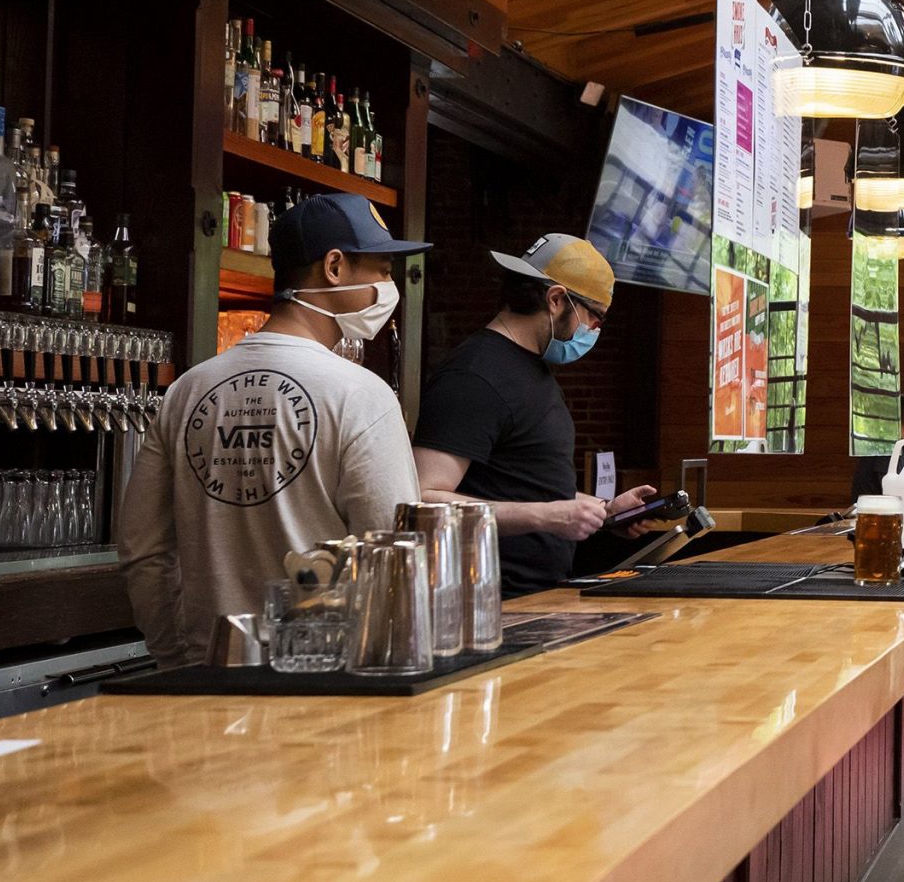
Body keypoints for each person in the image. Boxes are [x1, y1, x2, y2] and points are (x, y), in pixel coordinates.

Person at [119, 195, 427, 661]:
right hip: (326, 676)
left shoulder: (188, 391)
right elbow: (395, 552)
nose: (388, 288)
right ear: (335, 267)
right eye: (382, 271)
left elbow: (143, 550)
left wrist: (177, 657)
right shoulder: (361, 395)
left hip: (211, 673)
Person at [411, 234, 656, 596]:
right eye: (595, 316)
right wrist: (551, 517)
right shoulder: (474, 376)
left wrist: (604, 510)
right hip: (487, 601)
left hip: (538, 594)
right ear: (556, 299)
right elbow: (423, 499)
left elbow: (524, 484)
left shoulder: (531, 368)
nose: (595, 330)